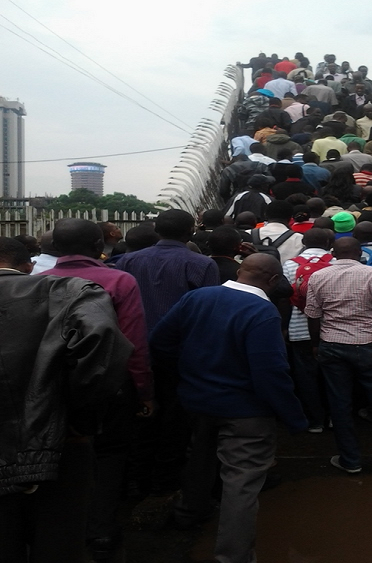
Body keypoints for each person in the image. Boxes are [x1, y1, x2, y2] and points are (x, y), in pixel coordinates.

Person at [150, 254, 307, 563]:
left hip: (197, 400)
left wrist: (188, 373)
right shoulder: (262, 312)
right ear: (274, 280)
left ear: (239, 271)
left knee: (200, 459)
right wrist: (294, 417)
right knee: (241, 484)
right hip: (245, 412)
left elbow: (160, 341)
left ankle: (189, 512)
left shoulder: (197, 298)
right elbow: (270, 373)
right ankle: (234, 556)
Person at [0, 237, 131, 563]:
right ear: (28, 265)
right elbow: (103, 352)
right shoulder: (72, 292)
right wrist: (77, 420)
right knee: (58, 543)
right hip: (59, 447)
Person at [40, 218, 154, 557]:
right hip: (110, 383)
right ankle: (101, 530)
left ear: (55, 247)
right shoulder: (119, 280)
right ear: (98, 246)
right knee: (110, 454)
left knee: (61, 452)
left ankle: (60, 529)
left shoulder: (38, 282)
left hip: (56, 383)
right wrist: (143, 389)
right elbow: (132, 340)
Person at [116, 209, 220, 494]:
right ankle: (165, 483)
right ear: (190, 232)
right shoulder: (201, 264)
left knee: (141, 415)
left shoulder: (128, 260)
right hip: (181, 353)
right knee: (176, 419)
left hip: (134, 350)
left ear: (157, 231)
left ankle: (136, 480)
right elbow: (207, 312)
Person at [305, 237, 372, 474]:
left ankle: (350, 461)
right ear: (359, 252)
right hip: (369, 345)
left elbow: (313, 314)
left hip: (332, 345)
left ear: (333, 252)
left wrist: (315, 345)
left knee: (340, 404)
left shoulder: (318, 276)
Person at [283, 229, 335, 432]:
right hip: (331, 329)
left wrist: (284, 327)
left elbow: (285, 297)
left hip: (299, 329)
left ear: (303, 242)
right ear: (329, 242)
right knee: (333, 375)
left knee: (306, 377)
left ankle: (314, 421)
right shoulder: (335, 262)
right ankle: (334, 416)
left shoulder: (290, 264)